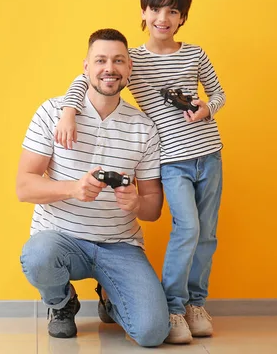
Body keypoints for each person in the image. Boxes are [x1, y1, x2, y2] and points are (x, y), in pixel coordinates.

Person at [54, 0, 226, 344]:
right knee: (188, 230)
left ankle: (197, 304)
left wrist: (208, 108)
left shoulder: (195, 54)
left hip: (209, 155)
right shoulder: (133, 60)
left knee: (207, 234)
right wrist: (69, 111)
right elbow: (85, 78)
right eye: (155, 9)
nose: (163, 17)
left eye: (173, 11)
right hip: (172, 162)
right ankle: (175, 308)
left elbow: (219, 93)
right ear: (143, 13)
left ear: (182, 18)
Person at [17, 28, 170, 347]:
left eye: (118, 60)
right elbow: (24, 187)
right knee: (38, 255)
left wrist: (135, 204)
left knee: (153, 333)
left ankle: (110, 297)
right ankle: (62, 305)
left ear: (129, 68)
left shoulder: (144, 128)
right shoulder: (53, 113)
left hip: (119, 244)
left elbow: (153, 207)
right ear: (85, 67)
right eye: (100, 60)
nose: (109, 68)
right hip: (61, 238)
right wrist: (73, 189)